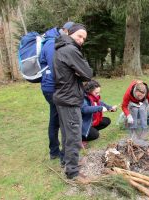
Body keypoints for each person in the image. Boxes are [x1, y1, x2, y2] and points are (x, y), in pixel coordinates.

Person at [53, 23, 93, 181]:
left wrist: (79, 72)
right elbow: (88, 74)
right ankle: (73, 172)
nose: (82, 40)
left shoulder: (60, 47)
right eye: (79, 36)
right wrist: (81, 72)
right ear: (70, 33)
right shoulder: (70, 49)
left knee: (66, 134)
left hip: (62, 97)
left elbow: (81, 73)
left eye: (84, 38)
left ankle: (66, 161)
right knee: (74, 136)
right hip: (69, 99)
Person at [40, 21, 74, 160]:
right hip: (52, 88)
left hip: (53, 87)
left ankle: (54, 151)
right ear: (65, 31)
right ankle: (61, 153)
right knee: (61, 119)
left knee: (56, 118)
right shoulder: (51, 44)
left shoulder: (55, 40)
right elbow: (56, 68)